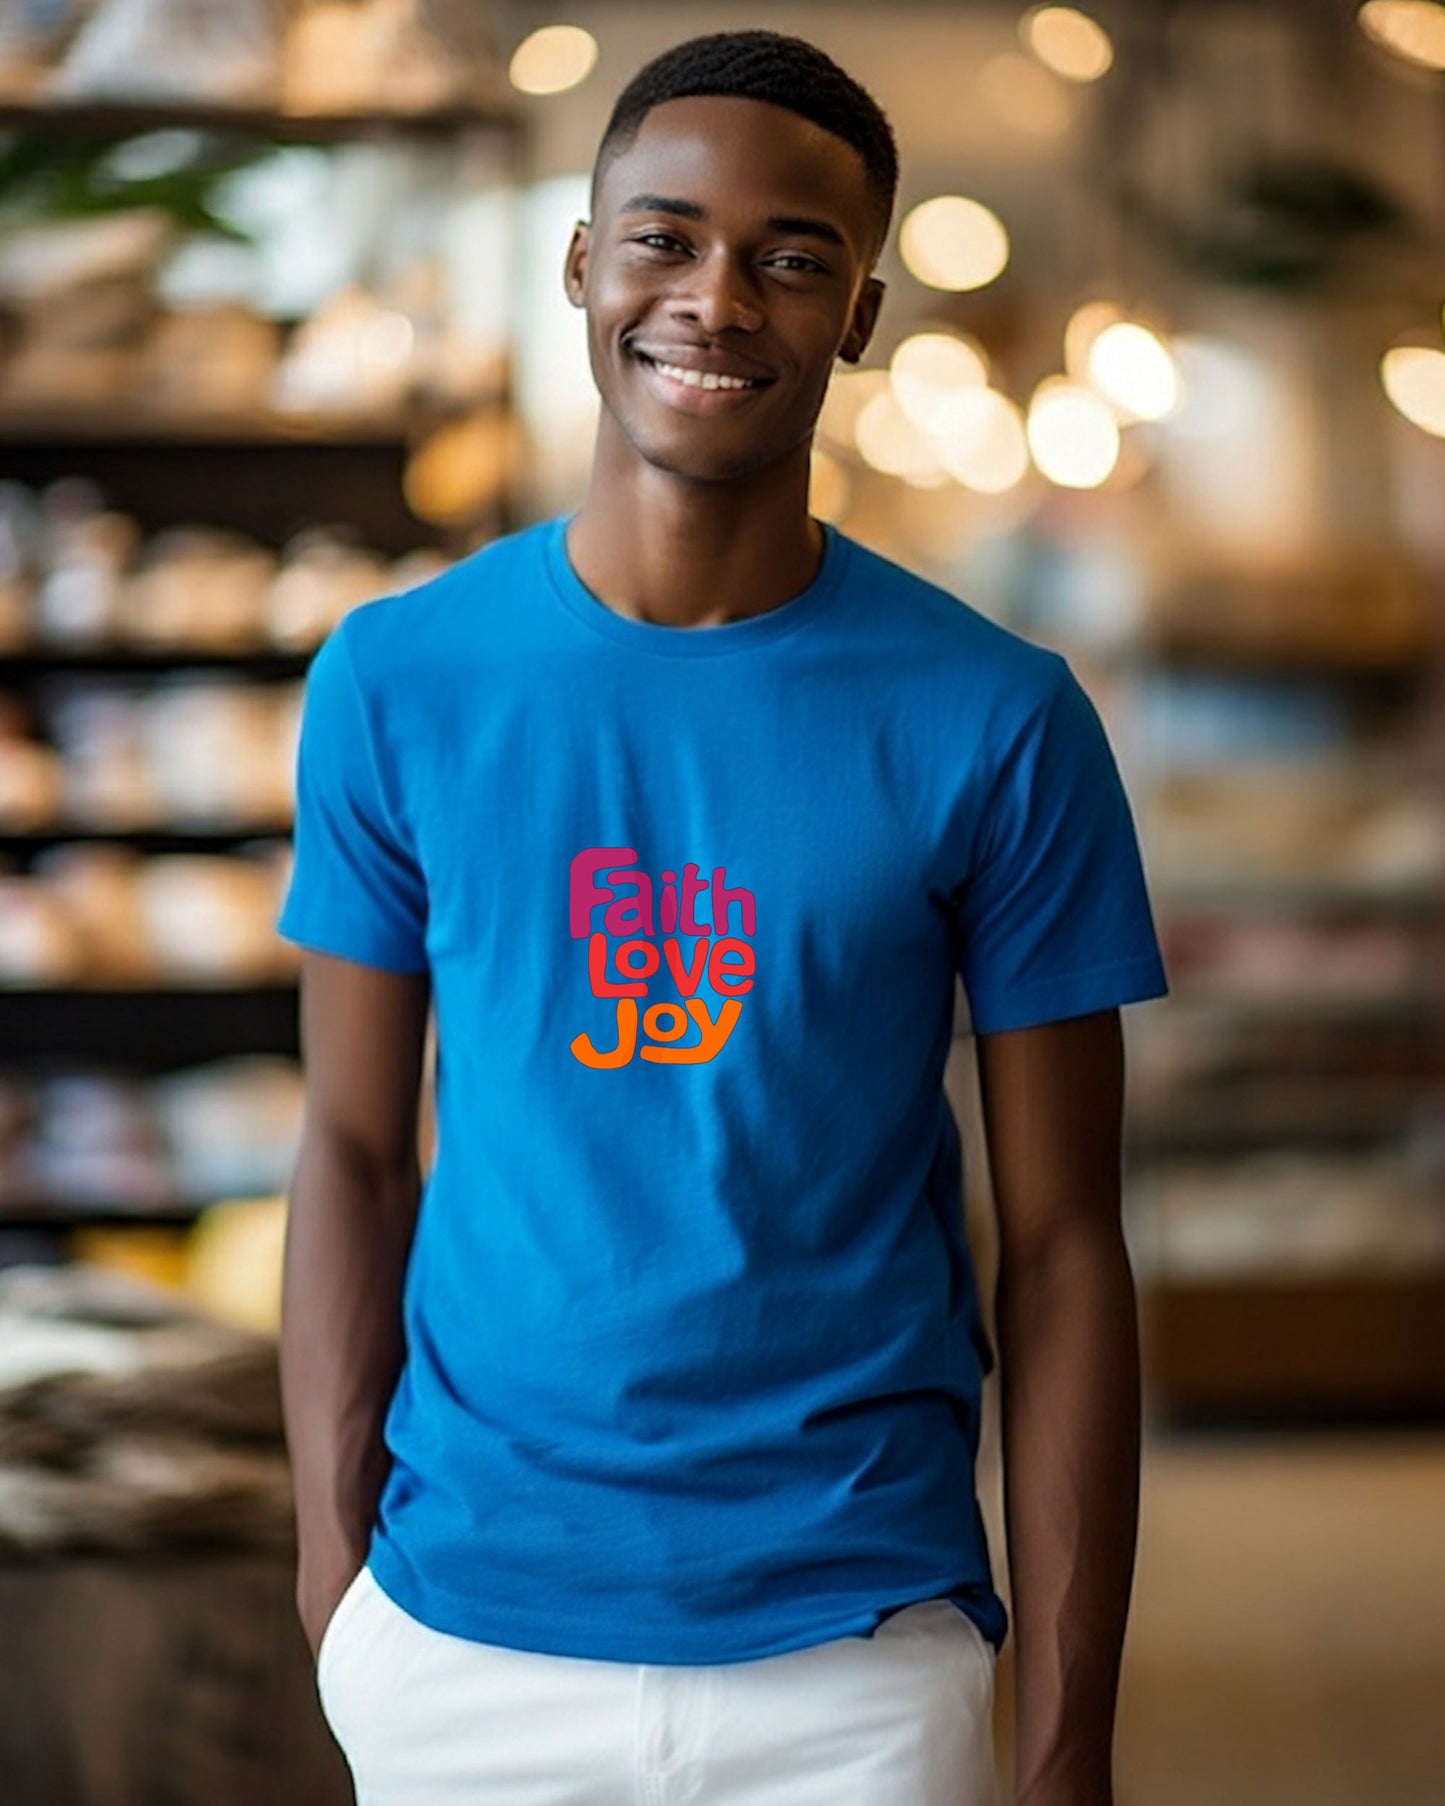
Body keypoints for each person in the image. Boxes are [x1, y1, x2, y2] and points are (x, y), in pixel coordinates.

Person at [275, 26, 1170, 1806]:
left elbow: (1064, 1245)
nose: (716, 297)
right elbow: (354, 1157)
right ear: (579, 264)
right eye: (665, 238)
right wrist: (336, 1594)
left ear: (857, 314)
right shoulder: (398, 679)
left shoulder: (996, 718)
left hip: (852, 1649)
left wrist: (1068, 1742)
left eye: (790, 257)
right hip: (463, 1642)